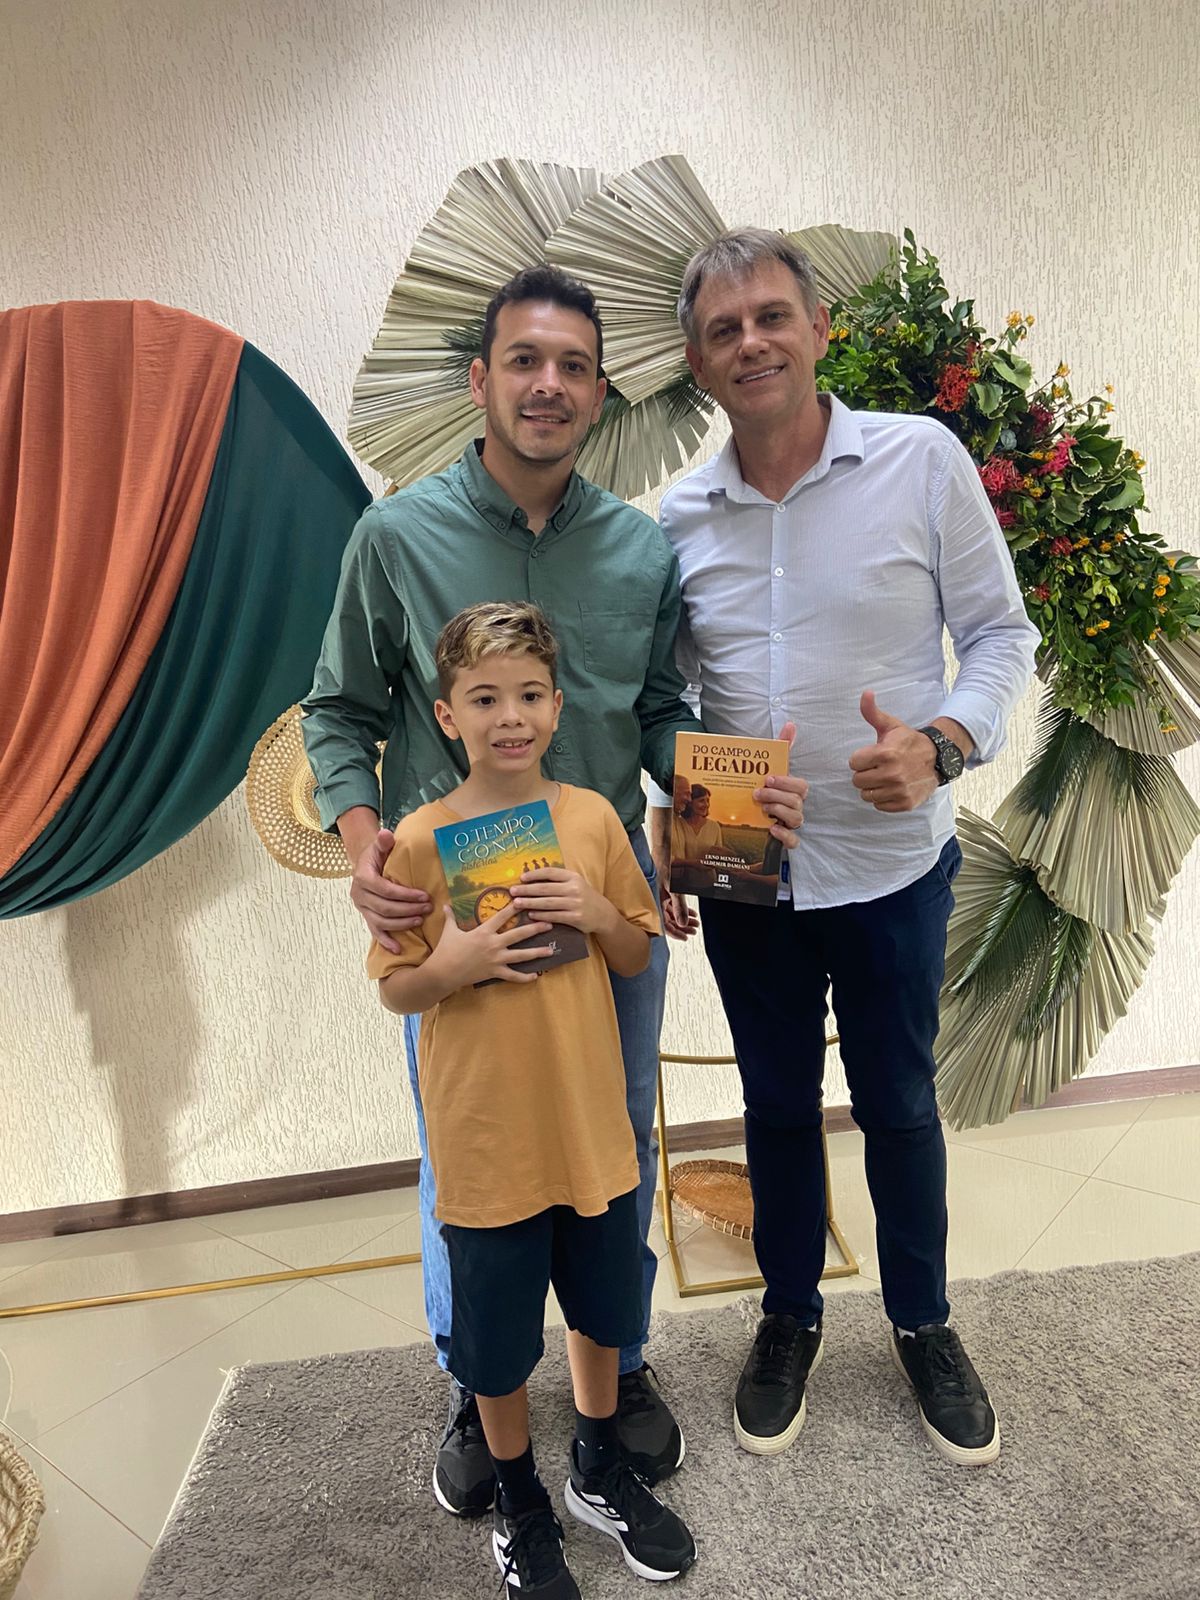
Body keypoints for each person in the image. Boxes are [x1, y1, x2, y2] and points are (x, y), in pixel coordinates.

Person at [300, 262, 808, 1508]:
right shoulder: (395, 537)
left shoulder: (639, 550)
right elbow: (339, 711)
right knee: (467, 1150)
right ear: (482, 379)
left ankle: (614, 1364)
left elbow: (657, 712)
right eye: (524, 360)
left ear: (599, 393)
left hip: (603, 893)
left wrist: (722, 813)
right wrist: (364, 843)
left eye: (573, 366)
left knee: (614, 1139)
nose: (548, 384)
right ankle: (475, 1375)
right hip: (460, 915)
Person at [648, 229, 1040, 1467]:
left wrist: (942, 743)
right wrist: (679, 806)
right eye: (724, 329)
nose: (752, 342)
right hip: (748, 882)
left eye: (772, 316)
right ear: (700, 364)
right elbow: (666, 697)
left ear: (819, 330)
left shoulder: (921, 461)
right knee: (774, 1106)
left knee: (900, 1103)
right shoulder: (679, 518)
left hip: (892, 869)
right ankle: (789, 1313)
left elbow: (1001, 637)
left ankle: (923, 1319)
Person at [370, 602, 696, 1597]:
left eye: (527, 696)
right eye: (483, 699)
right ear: (447, 715)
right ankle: (520, 1498)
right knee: (499, 1340)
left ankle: (597, 1465)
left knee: (603, 1309)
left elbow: (636, 951)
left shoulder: (592, 819)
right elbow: (395, 986)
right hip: (486, 1144)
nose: (508, 716)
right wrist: (455, 963)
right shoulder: (420, 840)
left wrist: (596, 910)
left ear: (557, 707)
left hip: (590, 1130)